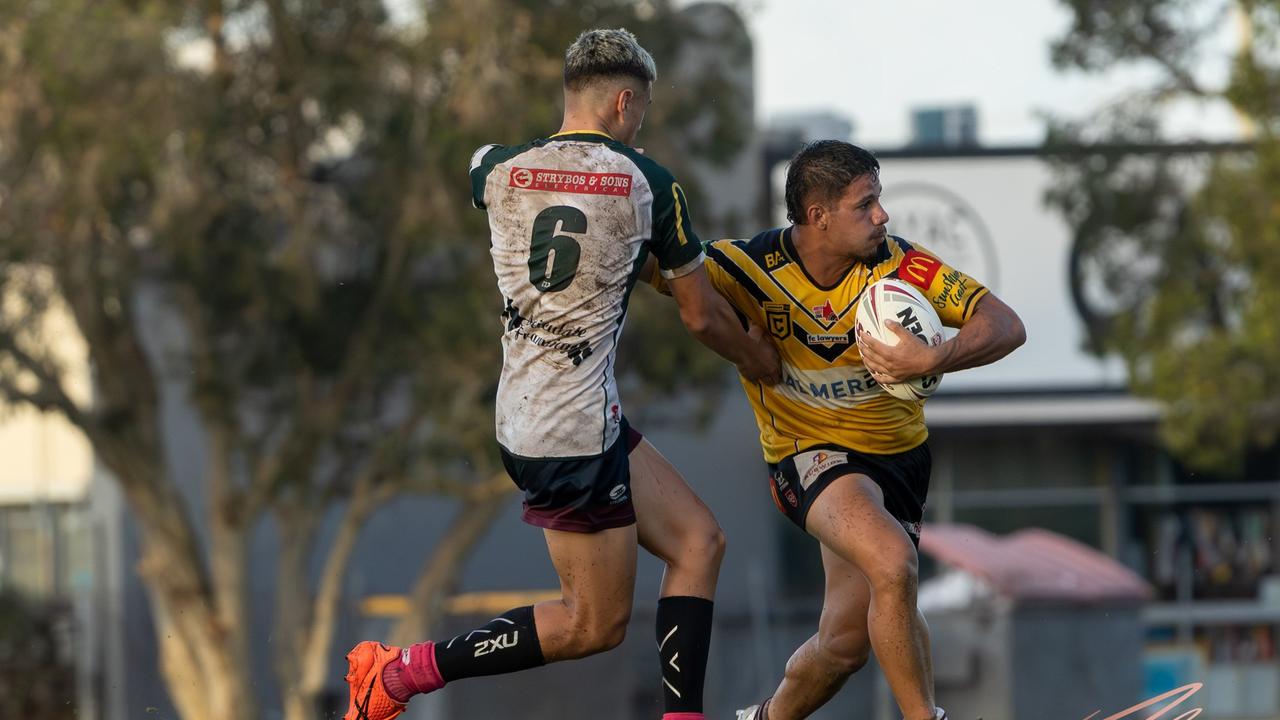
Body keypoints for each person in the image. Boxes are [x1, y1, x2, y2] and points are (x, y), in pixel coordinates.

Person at [341, 28, 781, 720]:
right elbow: (702, 318)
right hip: (575, 434)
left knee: (700, 541)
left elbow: (477, 164)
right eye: (644, 108)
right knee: (592, 625)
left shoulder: (500, 170)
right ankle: (395, 675)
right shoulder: (648, 184)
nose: (644, 122)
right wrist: (761, 359)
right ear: (624, 101)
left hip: (534, 416)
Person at [649, 140, 1025, 720]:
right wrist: (738, 343)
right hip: (807, 455)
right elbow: (656, 266)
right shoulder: (746, 268)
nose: (883, 216)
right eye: (866, 204)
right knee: (892, 561)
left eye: (880, 200)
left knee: (844, 646)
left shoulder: (902, 266)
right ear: (818, 215)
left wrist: (932, 358)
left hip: (900, 462)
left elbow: (1005, 324)